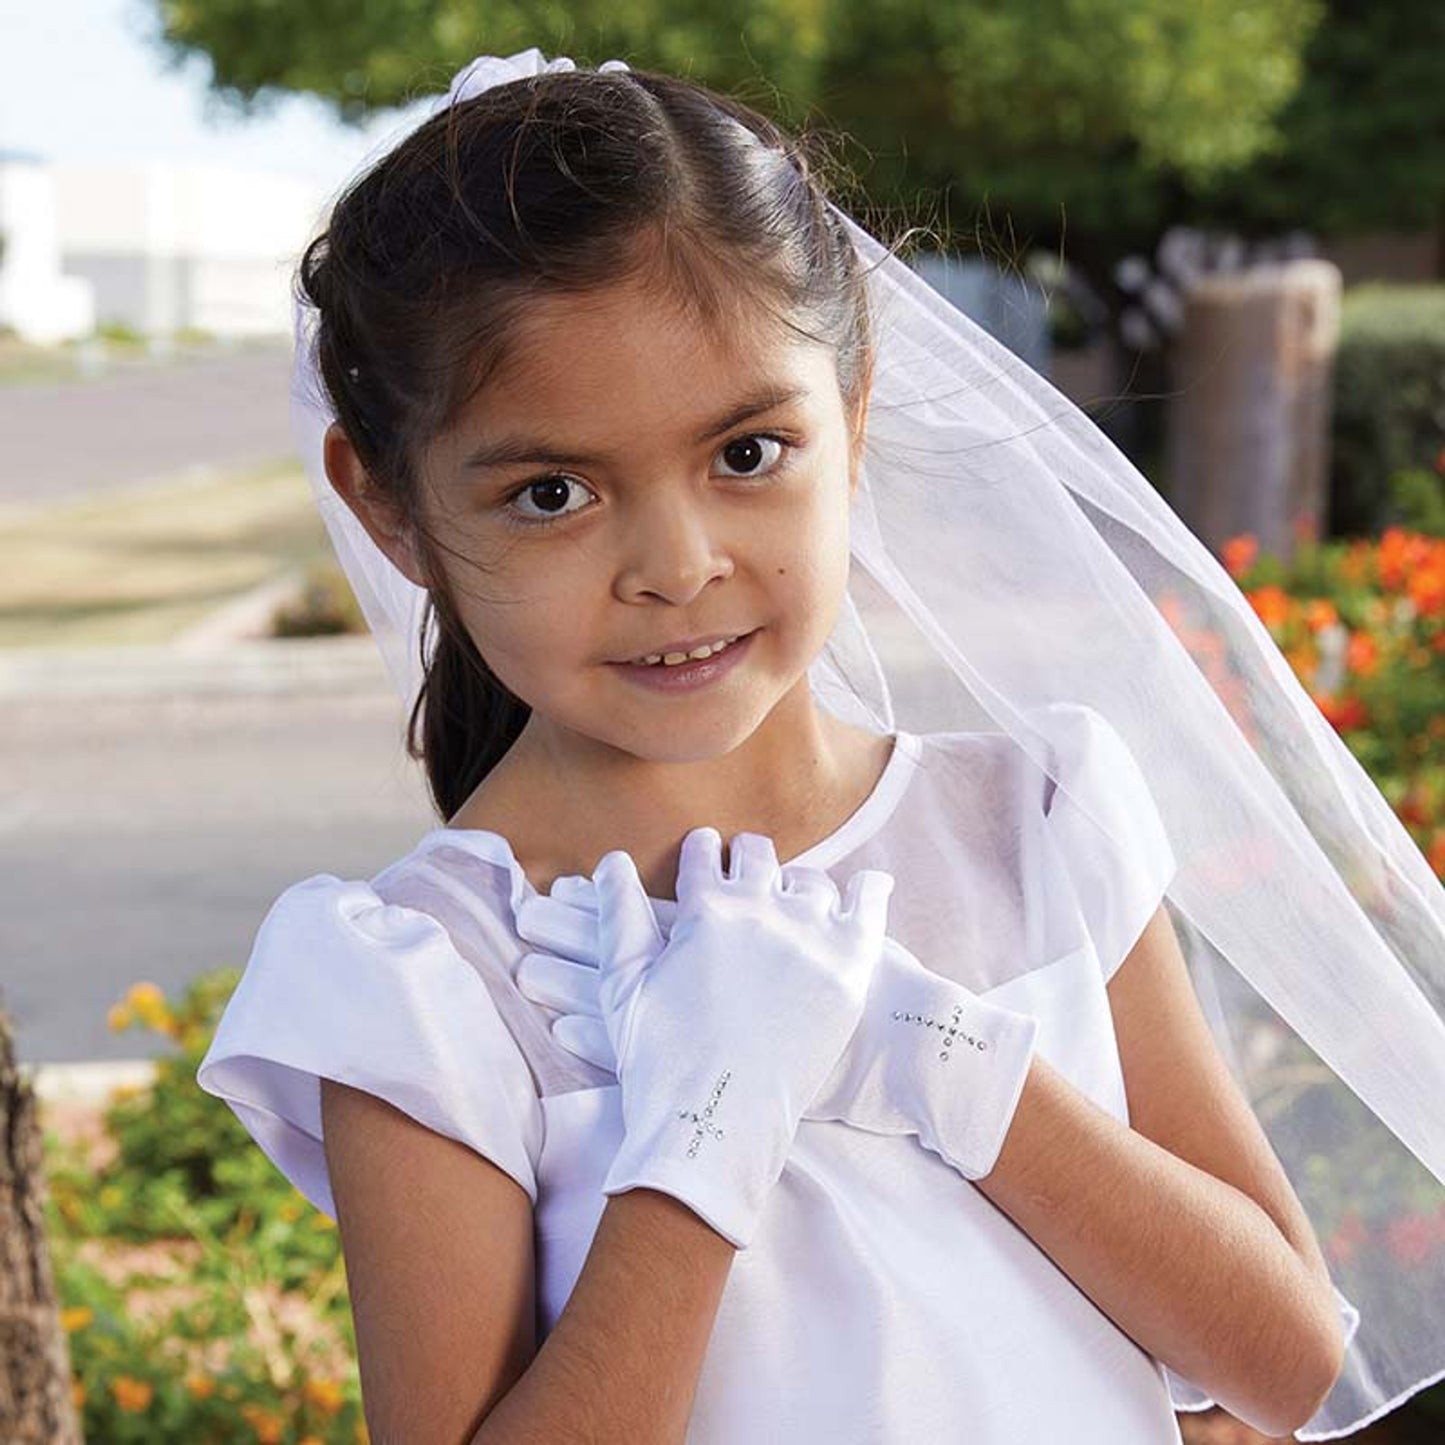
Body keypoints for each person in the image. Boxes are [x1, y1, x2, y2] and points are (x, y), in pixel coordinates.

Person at [198, 49, 1445, 1445]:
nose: (675, 566)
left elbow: (1280, 1362)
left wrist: (927, 1049)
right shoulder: (427, 980)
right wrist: (708, 1129)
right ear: (392, 511)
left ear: (847, 422)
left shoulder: (1030, 821)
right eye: (552, 491)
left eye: (744, 453)